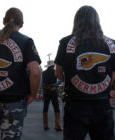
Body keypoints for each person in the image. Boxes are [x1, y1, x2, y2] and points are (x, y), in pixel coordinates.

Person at [0, 7, 41, 140]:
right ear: (22, 24)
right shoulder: (26, 41)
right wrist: (33, 95)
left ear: (3, 21)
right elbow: (35, 72)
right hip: (14, 102)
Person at [55, 5, 115, 140]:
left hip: (75, 104)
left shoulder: (65, 42)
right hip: (102, 105)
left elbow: (58, 73)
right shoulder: (112, 44)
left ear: (77, 21)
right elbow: (113, 76)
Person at [42, 60, 63, 131]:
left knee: (45, 107)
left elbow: (41, 84)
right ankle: (57, 126)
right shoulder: (55, 72)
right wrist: (54, 85)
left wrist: (47, 87)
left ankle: (45, 126)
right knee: (56, 108)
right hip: (53, 91)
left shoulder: (43, 73)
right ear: (53, 66)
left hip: (46, 91)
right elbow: (61, 80)